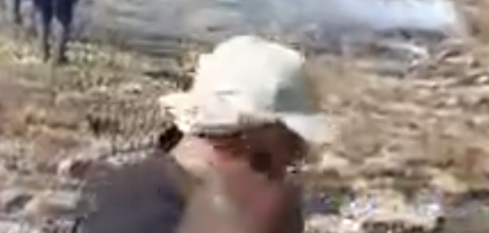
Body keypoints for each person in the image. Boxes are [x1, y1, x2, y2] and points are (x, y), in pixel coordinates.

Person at [74, 35, 328, 233]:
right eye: (292, 134)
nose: (300, 150)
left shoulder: (147, 185)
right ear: (249, 134)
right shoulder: (140, 211)